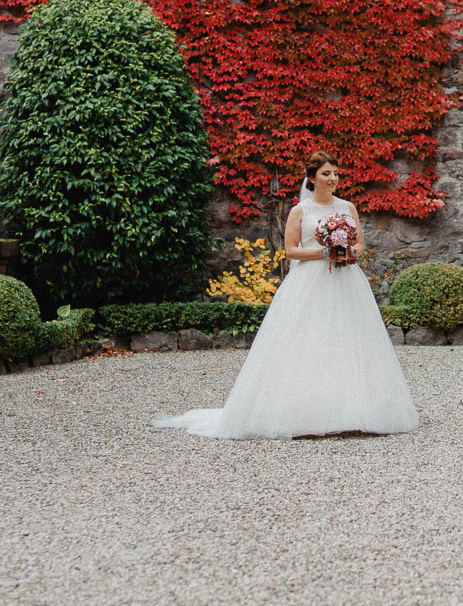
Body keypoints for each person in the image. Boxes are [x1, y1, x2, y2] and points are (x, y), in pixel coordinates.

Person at [152, 151, 419, 439]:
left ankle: (353, 410)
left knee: (349, 340)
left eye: (336, 173)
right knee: (308, 340)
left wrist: (348, 253)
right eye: (326, 174)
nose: (333, 179)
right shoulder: (300, 211)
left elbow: (360, 245)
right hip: (310, 282)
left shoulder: (348, 208)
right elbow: (291, 250)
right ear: (312, 177)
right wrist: (325, 252)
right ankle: (305, 412)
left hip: (345, 280)